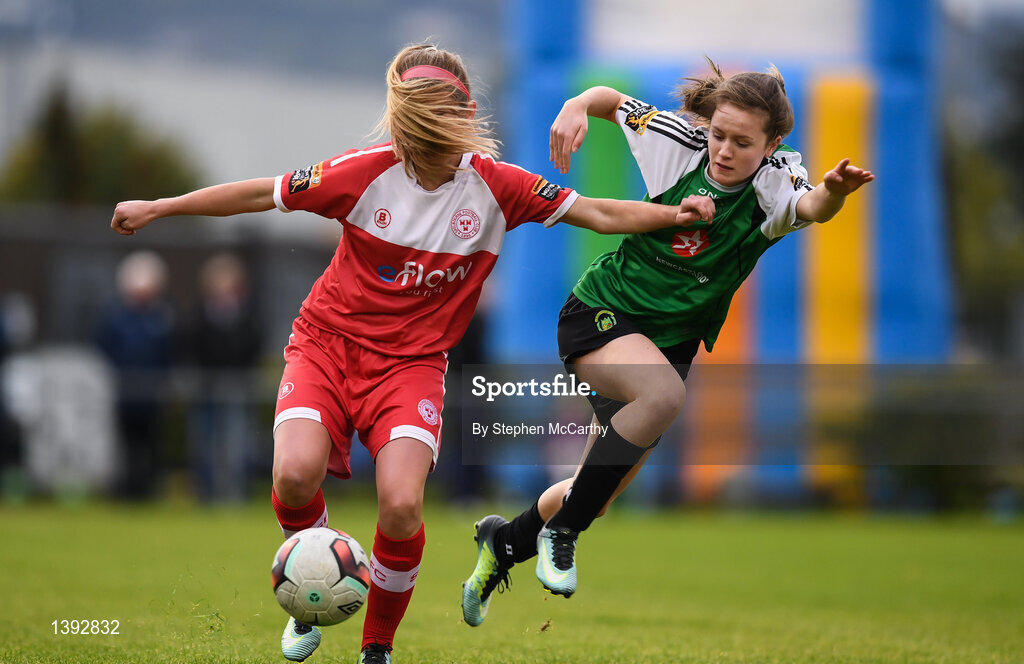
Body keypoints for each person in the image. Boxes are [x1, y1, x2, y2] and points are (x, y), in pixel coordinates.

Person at [111, 43, 712, 664]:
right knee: (293, 476)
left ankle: (377, 648)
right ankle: (313, 582)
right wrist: (161, 207)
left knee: (400, 506)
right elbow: (261, 194)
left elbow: (595, 210)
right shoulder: (360, 173)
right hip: (326, 347)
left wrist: (673, 215)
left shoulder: (497, 187)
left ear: (464, 115)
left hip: (411, 367)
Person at [461, 58, 874, 625]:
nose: (724, 150)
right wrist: (575, 105)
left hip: (666, 349)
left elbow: (811, 208)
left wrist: (834, 191)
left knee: (594, 492)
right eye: (719, 135)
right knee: (660, 400)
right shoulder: (679, 142)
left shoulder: (777, 186)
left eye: (742, 143)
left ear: (774, 143)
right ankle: (563, 536)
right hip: (602, 313)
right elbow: (608, 98)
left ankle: (503, 544)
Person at [95, 250, 176, 500]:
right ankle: (126, 490)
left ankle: (148, 490)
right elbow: (103, 346)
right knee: (125, 443)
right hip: (124, 392)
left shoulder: (162, 316)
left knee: (151, 443)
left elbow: (169, 352)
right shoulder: (116, 316)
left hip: (151, 393)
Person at [184, 252, 263, 502]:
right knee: (205, 443)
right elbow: (191, 343)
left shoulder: (246, 315)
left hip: (237, 386)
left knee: (236, 442)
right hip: (206, 387)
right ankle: (205, 493)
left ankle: (234, 494)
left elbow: (254, 343)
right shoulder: (200, 313)